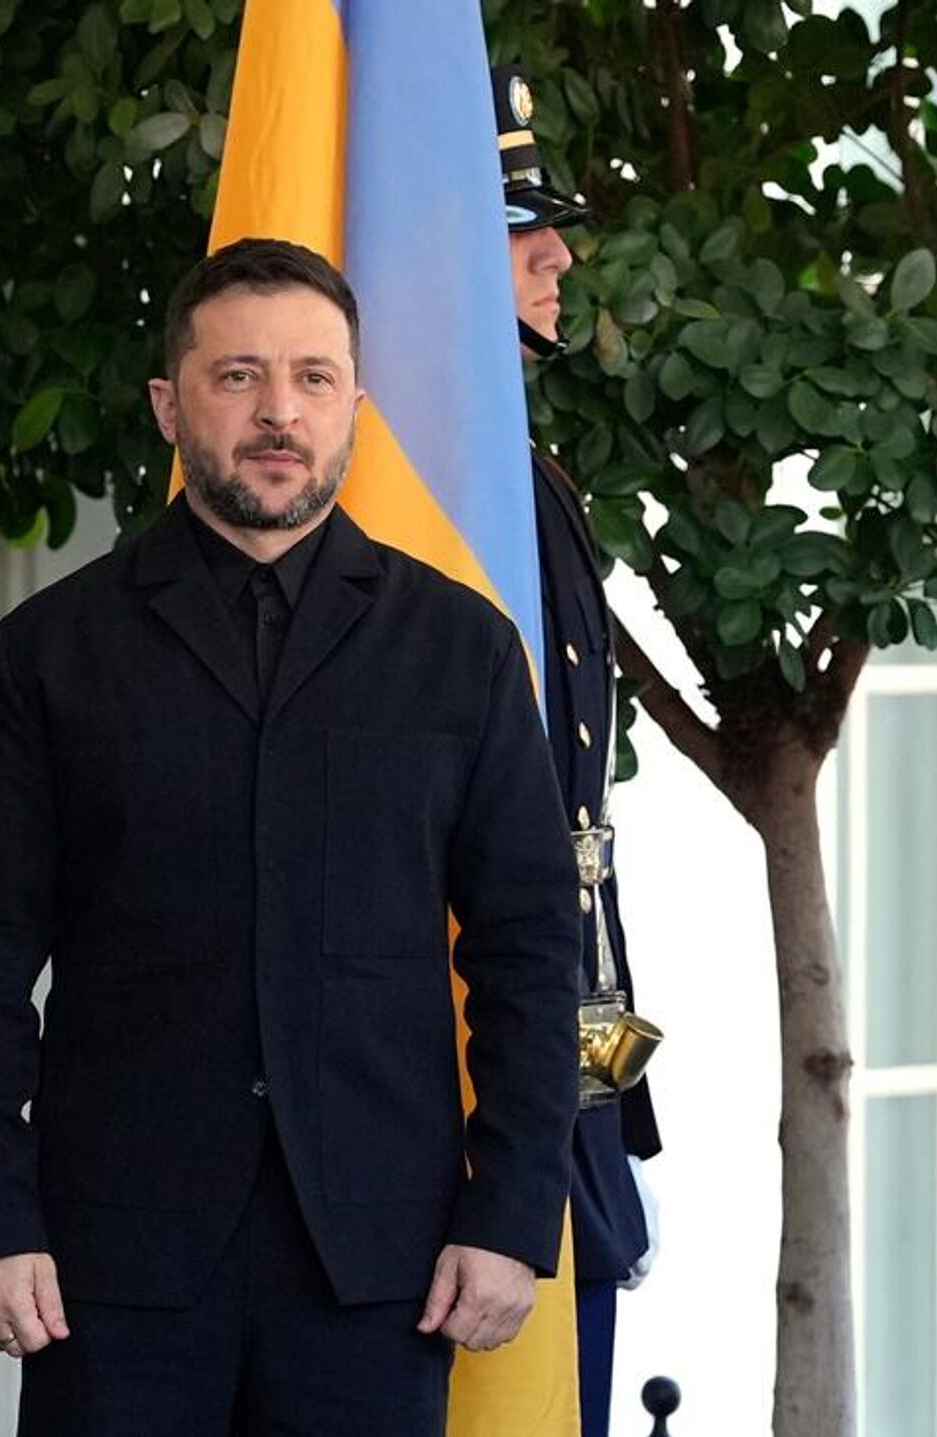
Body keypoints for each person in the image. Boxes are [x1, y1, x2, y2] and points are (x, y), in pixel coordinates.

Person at [0, 238, 582, 1437]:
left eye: (313, 378)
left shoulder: (462, 650)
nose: (280, 412)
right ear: (169, 406)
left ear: (355, 408)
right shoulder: (51, 653)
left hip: (384, 1269)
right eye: (239, 377)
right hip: (108, 1271)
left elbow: (531, 952)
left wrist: (511, 1213)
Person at [495, 63, 664, 1437]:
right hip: (469, 1063)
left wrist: (614, 1103)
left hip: (563, 1053)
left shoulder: (532, 477)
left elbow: (575, 833)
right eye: (515, 230)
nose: (557, 256)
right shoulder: (433, 489)